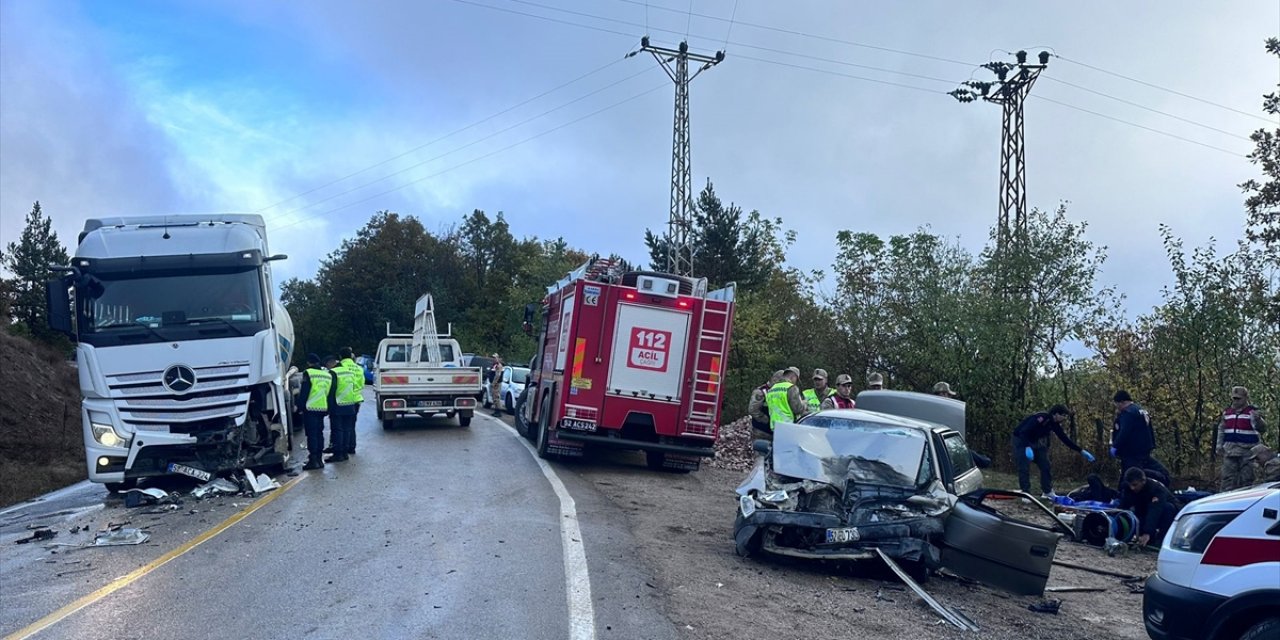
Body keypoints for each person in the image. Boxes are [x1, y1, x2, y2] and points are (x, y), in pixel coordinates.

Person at [1012, 405, 1095, 498]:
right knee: (1024, 466)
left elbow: (1064, 438)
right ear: (1056, 414)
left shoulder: (1054, 424)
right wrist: (1027, 447)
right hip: (1021, 439)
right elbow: (1023, 431)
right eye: (1063, 415)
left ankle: (1047, 491)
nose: (1064, 418)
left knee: (1045, 464)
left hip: (1035, 442)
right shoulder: (1041, 418)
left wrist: (1081, 450)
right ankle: (1025, 492)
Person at [1110, 390, 1170, 487]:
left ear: (1122, 402)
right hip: (1145, 450)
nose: (1118, 408)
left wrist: (1115, 446)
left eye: (1117, 405)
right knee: (1147, 471)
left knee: (1129, 475)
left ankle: (1123, 496)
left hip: (1132, 452)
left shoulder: (1128, 413)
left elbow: (1124, 432)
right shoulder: (1141, 410)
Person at [1215, 386, 1267, 491]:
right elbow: (1221, 429)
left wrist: (1259, 420)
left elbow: (1263, 429)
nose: (1236, 401)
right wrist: (1219, 445)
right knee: (1227, 479)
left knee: (1247, 480)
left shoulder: (1252, 412)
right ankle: (1224, 501)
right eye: (1234, 398)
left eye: (1238, 398)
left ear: (1245, 398)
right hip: (1230, 451)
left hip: (1248, 452)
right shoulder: (1227, 412)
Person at [1119, 467, 1177, 547]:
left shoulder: (1156, 489)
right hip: (1144, 510)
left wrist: (1147, 532)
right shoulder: (1128, 489)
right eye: (1130, 485)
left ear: (1143, 481)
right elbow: (1123, 507)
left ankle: (1162, 539)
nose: (1132, 488)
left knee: (1168, 508)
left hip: (1163, 513)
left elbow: (1155, 511)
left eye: (1135, 485)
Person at [297, 353, 336, 471]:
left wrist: (299, 407)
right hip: (322, 408)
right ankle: (319, 459)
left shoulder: (308, 373)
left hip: (310, 408)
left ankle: (313, 460)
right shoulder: (326, 375)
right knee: (319, 433)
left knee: (312, 434)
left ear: (309, 363)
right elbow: (330, 393)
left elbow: (304, 392)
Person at [327, 355, 361, 463]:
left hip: (338, 405)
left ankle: (338, 454)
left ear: (331, 363)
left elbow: (331, 391)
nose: (328, 368)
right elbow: (356, 387)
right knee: (347, 430)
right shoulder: (349, 372)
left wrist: (329, 407)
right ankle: (345, 453)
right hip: (350, 405)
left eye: (327, 366)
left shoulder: (334, 373)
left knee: (338, 430)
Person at [765, 367, 809, 432]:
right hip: (788, 425)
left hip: (774, 426)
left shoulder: (772, 389)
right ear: (793, 377)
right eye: (796, 379)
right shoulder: (791, 388)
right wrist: (804, 403)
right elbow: (797, 409)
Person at [338, 347, 365, 454]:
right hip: (356, 400)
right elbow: (362, 384)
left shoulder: (340, 367)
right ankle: (352, 447)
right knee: (351, 425)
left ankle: (343, 448)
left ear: (340, 356)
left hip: (343, 399)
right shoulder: (359, 368)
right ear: (351, 356)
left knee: (342, 426)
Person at [748, 371, 785, 435]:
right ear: (775, 380)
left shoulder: (780, 392)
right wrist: (767, 420)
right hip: (762, 430)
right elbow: (753, 410)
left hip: (776, 431)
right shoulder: (761, 392)